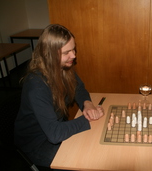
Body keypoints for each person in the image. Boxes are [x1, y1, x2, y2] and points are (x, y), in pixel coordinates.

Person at [14, 24, 104, 169]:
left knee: (93, 145)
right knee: (86, 159)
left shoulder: (61, 68)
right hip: (37, 144)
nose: (74, 56)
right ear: (49, 54)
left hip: (54, 130)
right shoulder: (36, 85)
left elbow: (79, 88)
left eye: (74, 49)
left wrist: (87, 104)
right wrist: (87, 119)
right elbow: (55, 134)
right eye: (67, 52)